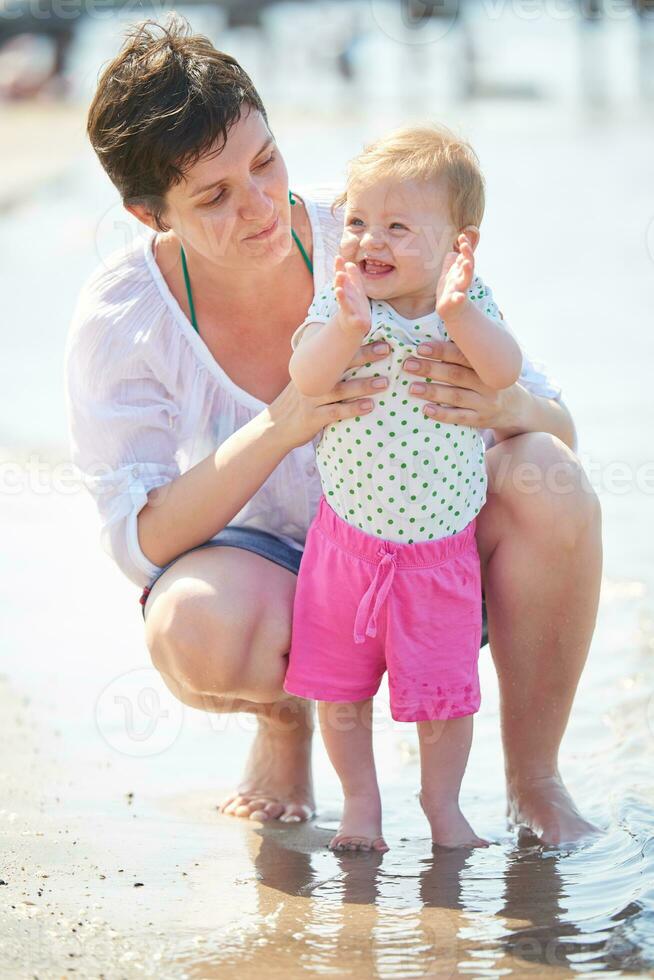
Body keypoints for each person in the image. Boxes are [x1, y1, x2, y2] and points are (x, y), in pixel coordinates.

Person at [64, 16, 602, 846]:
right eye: (213, 196)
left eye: (265, 161)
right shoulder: (124, 315)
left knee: (553, 483)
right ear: (148, 215)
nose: (260, 207)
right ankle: (285, 726)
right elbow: (138, 540)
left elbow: (558, 425)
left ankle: (535, 782)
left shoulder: (379, 236)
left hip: (432, 549)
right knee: (193, 626)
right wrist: (284, 423)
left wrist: (510, 410)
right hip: (279, 575)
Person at [284, 124, 524, 853]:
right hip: (345, 550)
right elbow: (305, 378)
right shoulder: (343, 307)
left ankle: (441, 805)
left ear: (459, 246)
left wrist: (458, 313)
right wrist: (346, 328)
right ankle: (360, 804)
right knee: (340, 692)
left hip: (440, 558)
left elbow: (505, 371)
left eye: (396, 227)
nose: (368, 242)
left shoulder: (470, 302)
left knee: (444, 701)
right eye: (357, 222)